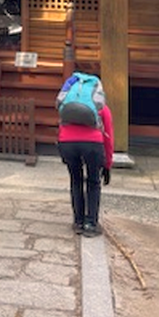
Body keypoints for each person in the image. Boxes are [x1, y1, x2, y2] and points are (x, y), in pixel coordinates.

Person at [56, 72, 114, 236]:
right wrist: (108, 163)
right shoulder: (101, 107)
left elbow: (61, 124)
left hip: (67, 142)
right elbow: (108, 137)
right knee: (94, 181)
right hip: (93, 144)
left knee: (76, 179)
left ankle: (78, 222)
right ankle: (91, 224)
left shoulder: (68, 102)